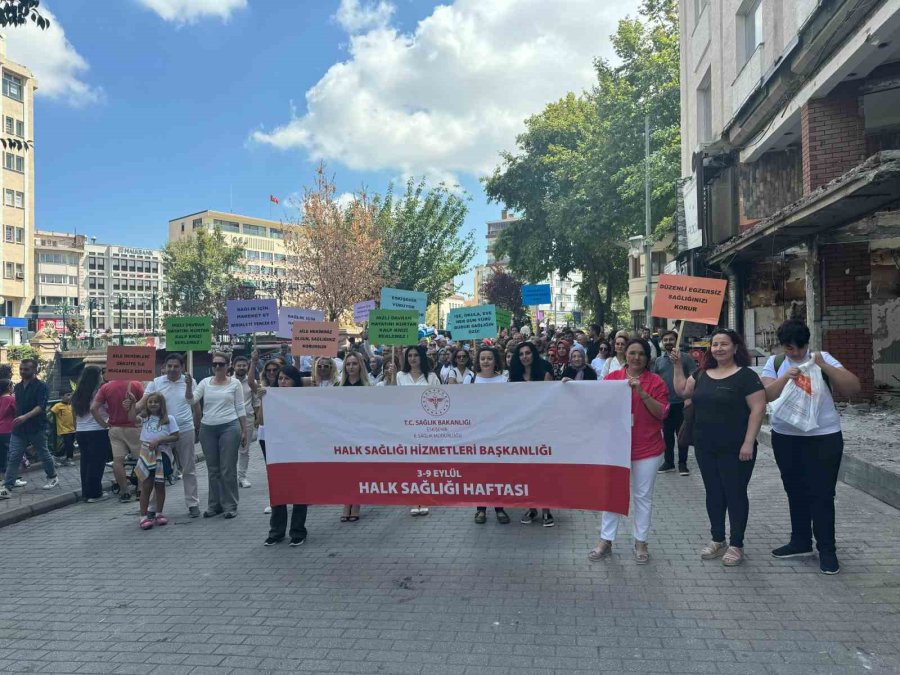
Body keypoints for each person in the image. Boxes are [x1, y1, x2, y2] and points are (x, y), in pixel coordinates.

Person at [761, 319, 861, 575]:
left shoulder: (822, 357)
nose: (795, 353)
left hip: (824, 436)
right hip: (786, 437)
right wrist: (786, 376)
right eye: (789, 348)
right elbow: (766, 395)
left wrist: (822, 365)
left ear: (807, 343)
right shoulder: (775, 363)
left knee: (822, 494)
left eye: (799, 347)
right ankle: (800, 541)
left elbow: (853, 388)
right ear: (782, 346)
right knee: (795, 490)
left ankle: (827, 549)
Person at [672, 328, 766, 567]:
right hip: (705, 446)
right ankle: (717, 539)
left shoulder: (746, 376)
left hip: (736, 448)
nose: (719, 348)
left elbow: (758, 408)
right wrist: (676, 365)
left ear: (735, 348)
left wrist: (748, 442)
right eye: (715, 344)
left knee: (734, 494)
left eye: (724, 344)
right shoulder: (702, 373)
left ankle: (736, 544)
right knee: (713, 493)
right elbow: (682, 390)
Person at [589, 339, 668, 563]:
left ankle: (641, 541)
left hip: (647, 448)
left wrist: (642, 392)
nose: (636, 358)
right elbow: (594, 404)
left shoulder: (656, 382)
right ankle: (606, 539)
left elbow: (661, 413)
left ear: (647, 357)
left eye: (641, 354)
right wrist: (570, 387)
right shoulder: (612, 379)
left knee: (643, 497)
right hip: (616, 448)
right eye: (632, 353)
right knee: (612, 494)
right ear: (625, 355)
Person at [138, 353, 201, 517]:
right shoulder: (156, 382)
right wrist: (130, 406)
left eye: (176, 366)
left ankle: (192, 503)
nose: (172, 369)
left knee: (188, 467)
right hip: (161, 432)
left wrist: (197, 425)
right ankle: (153, 508)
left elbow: (192, 403)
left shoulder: (190, 382)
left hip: (185, 429)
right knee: (155, 471)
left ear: (182, 367)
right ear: (164, 367)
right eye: (169, 366)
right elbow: (144, 402)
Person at [385, 345, 440, 516]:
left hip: (426, 426)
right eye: (410, 355)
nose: (413, 358)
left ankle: (424, 498)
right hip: (405, 426)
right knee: (411, 464)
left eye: (416, 355)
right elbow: (392, 399)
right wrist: (391, 378)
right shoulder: (400, 376)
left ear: (422, 357)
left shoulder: (431, 377)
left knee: (424, 464)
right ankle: (414, 498)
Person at [193, 352, 248, 519]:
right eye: (215, 364)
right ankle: (214, 505)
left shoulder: (235, 383)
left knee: (227, 469)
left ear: (227, 366)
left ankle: (230, 505)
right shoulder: (204, 383)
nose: (217, 367)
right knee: (213, 470)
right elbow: (191, 400)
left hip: (230, 427)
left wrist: (244, 429)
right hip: (208, 428)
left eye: (221, 364)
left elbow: (240, 407)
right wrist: (188, 388)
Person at [508, 342, 555, 527]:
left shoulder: (544, 373)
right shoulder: (514, 377)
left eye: (528, 353)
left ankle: (546, 509)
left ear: (533, 354)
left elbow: (551, 399)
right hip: (522, 430)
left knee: (543, 470)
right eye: (521, 354)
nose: (525, 356)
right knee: (527, 471)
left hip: (542, 429)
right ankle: (531, 506)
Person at [263, 365, 309, 547]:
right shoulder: (270, 396)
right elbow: (260, 421)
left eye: (286, 379)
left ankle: (298, 531)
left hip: (299, 450)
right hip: (278, 450)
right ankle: (276, 532)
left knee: (299, 491)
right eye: (280, 378)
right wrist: (262, 401)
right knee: (278, 490)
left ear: (294, 381)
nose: (282, 382)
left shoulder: (303, 400)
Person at [3, 358, 59, 492]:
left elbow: (41, 406)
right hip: (19, 428)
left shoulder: (42, 386)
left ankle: (52, 476)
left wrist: (25, 416)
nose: (22, 371)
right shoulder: (17, 386)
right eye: (21, 369)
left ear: (34, 370)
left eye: (26, 369)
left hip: (36, 426)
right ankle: (8, 485)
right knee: (14, 456)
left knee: (43, 453)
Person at [470, 345, 511, 524]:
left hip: (499, 433)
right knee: (480, 474)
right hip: (477, 434)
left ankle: (499, 507)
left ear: (495, 361)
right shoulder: (470, 380)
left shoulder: (504, 380)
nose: (485, 361)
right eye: (482, 358)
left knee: (498, 473)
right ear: (478, 361)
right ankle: (481, 509)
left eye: (489, 358)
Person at [128, 393, 179, 530]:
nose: (153, 404)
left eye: (156, 402)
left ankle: (159, 513)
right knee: (146, 485)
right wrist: (133, 403)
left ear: (162, 404)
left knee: (160, 485)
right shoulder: (145, 418)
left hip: (163, 454)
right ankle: (143, 516)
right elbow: (131, 418)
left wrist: (160, 440)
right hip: (146, 453)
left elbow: (175, 436)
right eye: (150, 402)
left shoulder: (170, 419)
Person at [92, 373, 144, 502]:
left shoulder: (106, 387)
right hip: (134, 427)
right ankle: (140, 490)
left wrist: (103, 424)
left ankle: (124, 491)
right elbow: (145, 404)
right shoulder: (136, 384)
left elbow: (93, 408)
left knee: (118, 461)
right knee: (141, 460)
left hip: (115, 428)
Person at [654, 330, 697, 476]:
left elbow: (693, 377)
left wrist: (688, 399)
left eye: (671, 339)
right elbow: (656, 382)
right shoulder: (659, 361)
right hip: (666, 404)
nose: (668, 342)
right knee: (667, 435)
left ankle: (683, 464)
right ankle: (669, 462)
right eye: (665, 340)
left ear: (676, 340)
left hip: (682, 403)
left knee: (682, 435)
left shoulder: (686, 358)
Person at [72, 365, 112, 503]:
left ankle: (86, 492)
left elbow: (74, 414)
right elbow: (105, 409)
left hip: (81, 431)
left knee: (85, 462)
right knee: (97, 463)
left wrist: (76, 428)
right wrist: (105, 424)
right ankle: (95, 493)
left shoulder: (78, 392)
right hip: (97, 430)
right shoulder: (99, 392)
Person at [338, 351, 369, 522]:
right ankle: (346, 502)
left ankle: (356, 502)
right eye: (348, 364)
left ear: (360, 366)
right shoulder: (339, 387)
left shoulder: (367, 387)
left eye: (354, 364)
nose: (351, 367)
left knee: (357, 469)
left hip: (360, 433)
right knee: (345, 470)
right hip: (343, 433)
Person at [233, 354, 260, 489]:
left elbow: (256, 401)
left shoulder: (252, 382)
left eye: (244, 365)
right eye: (239, 365)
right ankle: (231, 477)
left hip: (248, 419)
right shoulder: (228, 381)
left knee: (244, 450)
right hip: (231, 419)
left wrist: (258, 418)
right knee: (230, 451)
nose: (242, 368)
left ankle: (242, 477)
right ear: (234, 367)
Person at [50, 392, 76, 467]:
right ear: (62, 396)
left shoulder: (71, 405)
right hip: (64, 429)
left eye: (71, 395)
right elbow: (51, 411)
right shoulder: (58, 406)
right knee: (68, 444)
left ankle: (57, 457)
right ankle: (69, 459)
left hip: (73, 428)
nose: (70, 396)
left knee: (68, 445)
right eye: (67, 395)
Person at [0, 380, 15, 498]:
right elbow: (17, 412)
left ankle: (1, 479)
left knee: (1, 456)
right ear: (8, 387)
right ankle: (11, 479)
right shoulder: (11, 399)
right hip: (8, 429)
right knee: (11, 455)